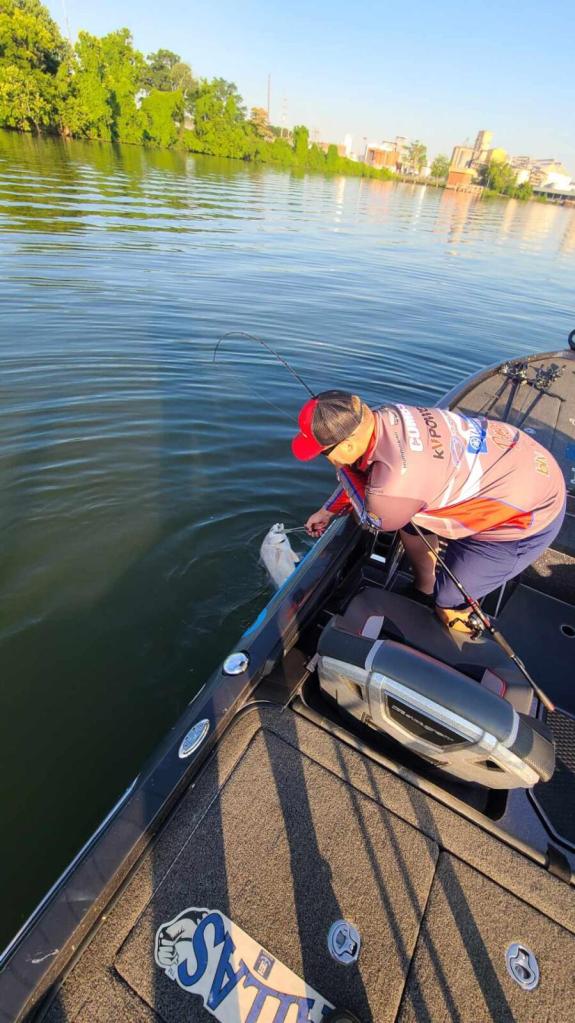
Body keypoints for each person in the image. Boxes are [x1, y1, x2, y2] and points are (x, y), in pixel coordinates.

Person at [292, 391, 566, 633]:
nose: (327, 460)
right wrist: (328, 510)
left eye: (324, 453)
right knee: (409, 518)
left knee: (449, 599)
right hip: (519, 457)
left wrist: (342, 469)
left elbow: (373, 517)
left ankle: (460, 641)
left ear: (349, 445)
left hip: (525, 516)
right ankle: (424, 586)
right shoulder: (388, 413)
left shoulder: (393, 485)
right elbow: (365, 480)